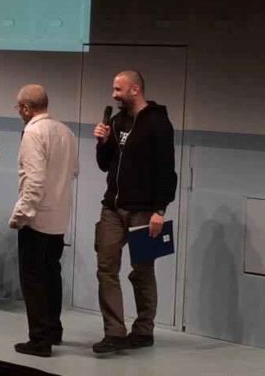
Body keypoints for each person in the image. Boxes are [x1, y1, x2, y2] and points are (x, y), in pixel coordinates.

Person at [91, 70, 178, 353]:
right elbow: (104, 165)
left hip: (144, 211)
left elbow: (167, 170)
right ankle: (114, 332)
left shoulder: (158, 122)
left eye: (118, 89)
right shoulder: (117, 121)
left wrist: (160, 210)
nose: (113, 94)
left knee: (142, 271)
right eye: (113, 89)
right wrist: (102, 142)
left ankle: (143, 330)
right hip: (112, 208)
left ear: (135, 89)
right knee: (106, 268)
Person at [8, 84, 78, 357]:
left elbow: (34, 180)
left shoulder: (33, 133)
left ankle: (39, 340)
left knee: (33, 280)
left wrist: (21, 215)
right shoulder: (66, 132)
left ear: (26, 108)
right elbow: (74, 171)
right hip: (59, 218)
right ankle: (53, 330)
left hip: (36, 219)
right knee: (51, 275)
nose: (19, 112)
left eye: (19, 108)